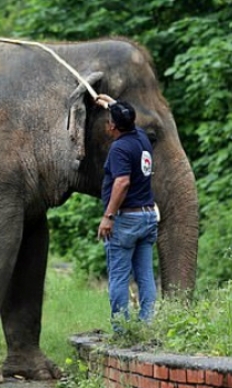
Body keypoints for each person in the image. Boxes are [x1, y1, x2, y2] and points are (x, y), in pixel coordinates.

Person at [95, 94, 158, 330]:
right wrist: (112, 104)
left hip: (126, 220)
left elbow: (122, 183)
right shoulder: (141, 138)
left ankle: (121, 331)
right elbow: (126, 119)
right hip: (148, 215)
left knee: (119, 276)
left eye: (109, 120)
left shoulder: (119, 149)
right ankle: (147, 326)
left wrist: (108, 216)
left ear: (112, 126)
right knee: (145, 275)